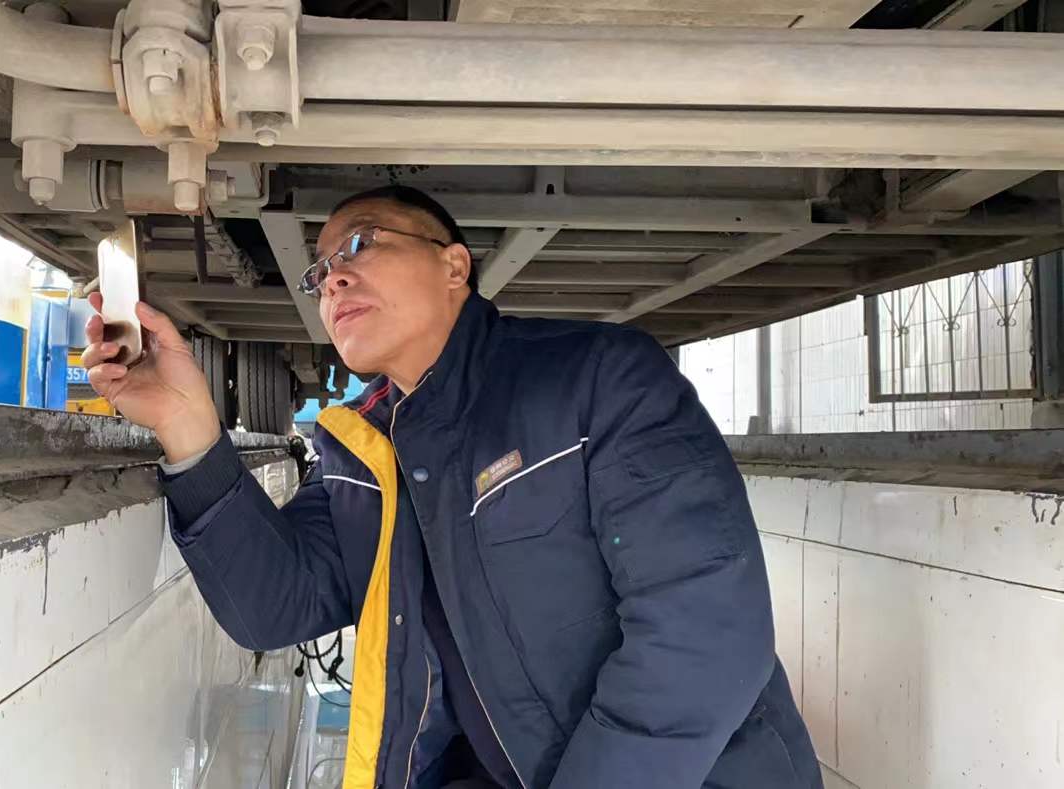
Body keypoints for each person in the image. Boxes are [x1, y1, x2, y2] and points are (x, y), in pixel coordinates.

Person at [81, 185, 822, 789]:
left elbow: (704, 636)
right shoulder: (364, 457)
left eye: (360, 244)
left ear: (454, 267)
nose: (332, 278)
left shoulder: (599, 380)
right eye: (319, 271)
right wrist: (187, 425)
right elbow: (275, 604)